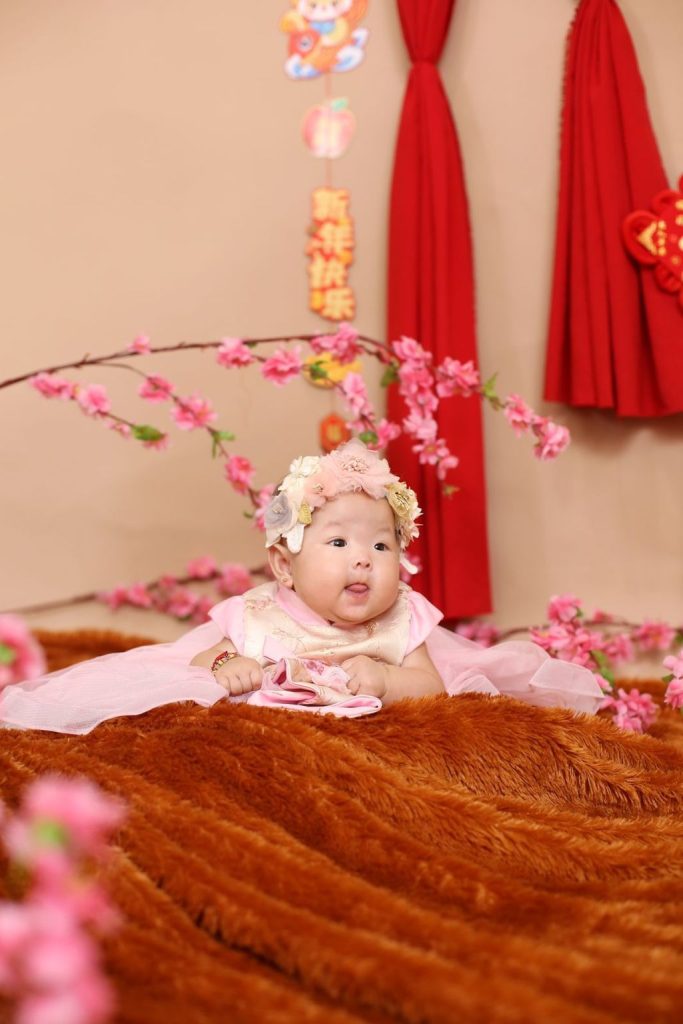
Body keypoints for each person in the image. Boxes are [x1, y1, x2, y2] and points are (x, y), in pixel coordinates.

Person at [0, 441, 604, 735]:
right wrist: (231, 664)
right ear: (285, 567)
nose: (363, 560)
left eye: (382, 547)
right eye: (338, 543)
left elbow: (431, 686)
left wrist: (388, 680)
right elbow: (203, 659)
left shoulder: (402, 617)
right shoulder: (262, 612)